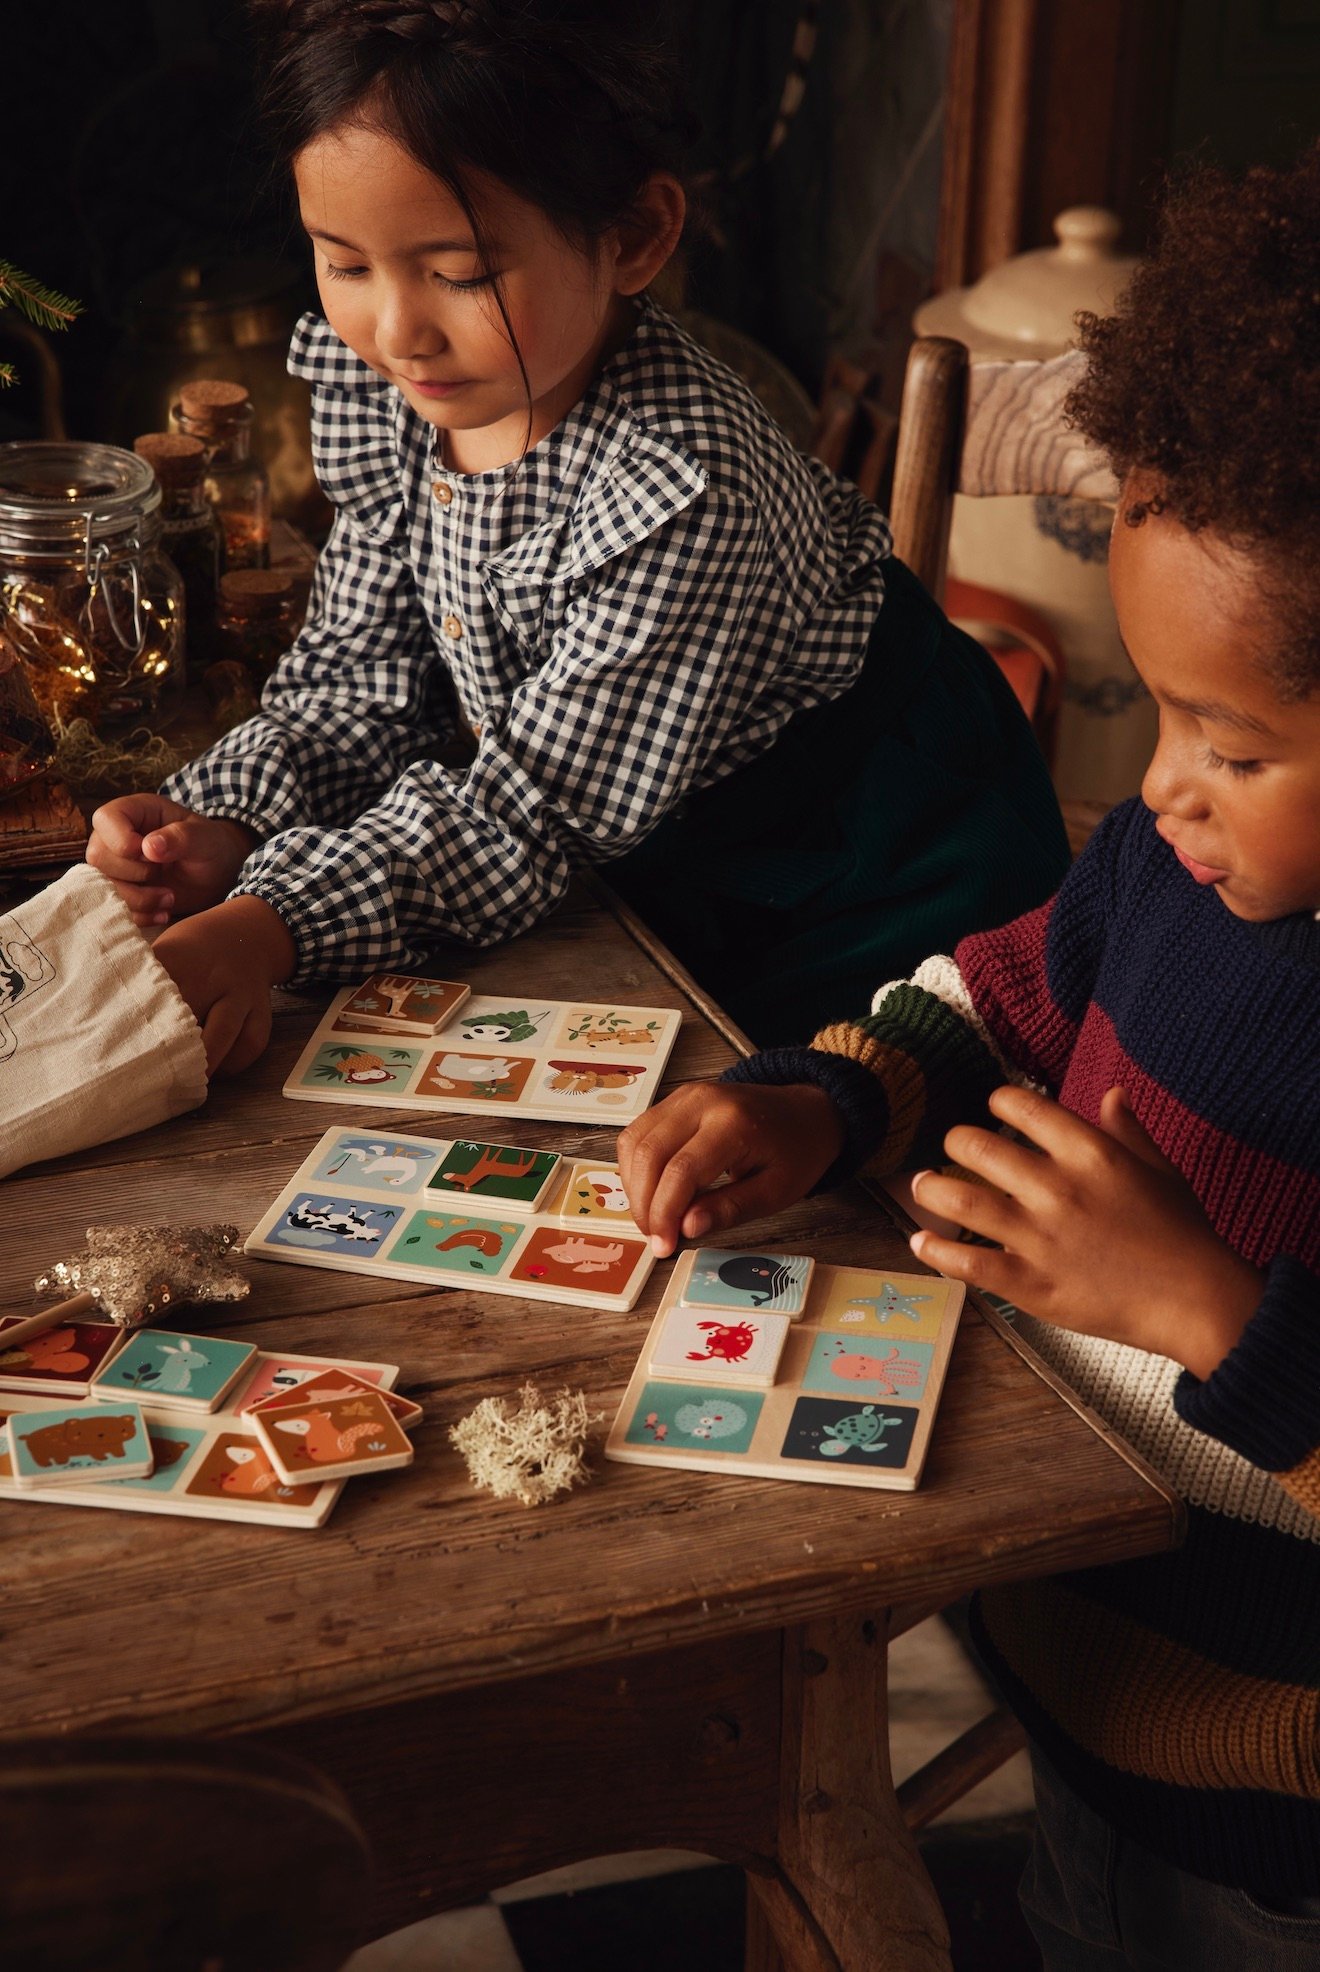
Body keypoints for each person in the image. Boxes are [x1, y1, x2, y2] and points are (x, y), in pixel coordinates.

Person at [618, 145, 1320, 1967]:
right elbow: (1012, 981)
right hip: (1070, 1665)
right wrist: (821, 1091)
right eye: (1157, 712)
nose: (1156, 784)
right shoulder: (1178, 871)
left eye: (1229, 743)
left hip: (1271, 1800)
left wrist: (1207, 1313)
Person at [85, 0, 1065, 1076]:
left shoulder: (679, 493)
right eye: (346, 263)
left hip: (870, 870)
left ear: (634, 237)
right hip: (640, 840)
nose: (397, 329)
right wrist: (222, 824)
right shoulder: (408, 390)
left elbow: (529, 811)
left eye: (460, 273)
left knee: (743, 1127)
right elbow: (358, 680)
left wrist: (271, 920)